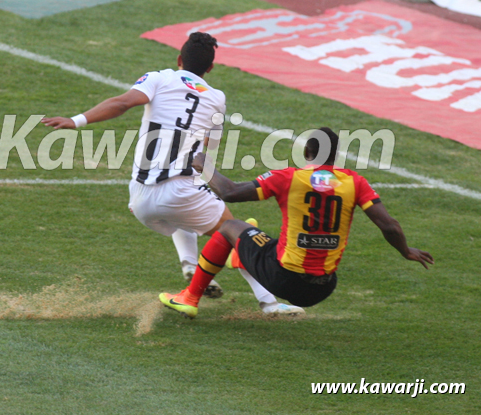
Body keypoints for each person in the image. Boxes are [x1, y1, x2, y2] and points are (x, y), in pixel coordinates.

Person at [42, 32, 302, 314]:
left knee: (184, 216)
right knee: (235, 232)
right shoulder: (216, 98)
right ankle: (268, 304)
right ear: (210, 68)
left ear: (179, 59)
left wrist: (76, 120)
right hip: (181, 192)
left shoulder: (159, 78)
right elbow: (210, 146)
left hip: (140, 200)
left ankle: (189, 264)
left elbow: (122, 103)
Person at [160, 127, 434, 318]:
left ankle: (190, 297)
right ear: (337, 155)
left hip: (284, 279)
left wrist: (204, 166)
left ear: (307, 153)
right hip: (323, 288)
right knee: (261, 237)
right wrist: (406, 251)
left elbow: (230, 192)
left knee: (231, 227)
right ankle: (240, 257)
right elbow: (389, 226)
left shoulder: (289, 177)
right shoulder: (355, 182)